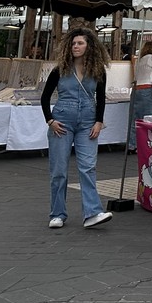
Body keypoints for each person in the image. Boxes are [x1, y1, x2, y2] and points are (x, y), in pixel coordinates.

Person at [40, 27, 112, 230]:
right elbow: (45, 97)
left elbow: (101, 98)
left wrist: (99, 121)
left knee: (88, 167)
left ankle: (92, 212)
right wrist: (50, 120)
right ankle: (57, 213)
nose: (76, 47)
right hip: (62, 121)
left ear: (90, 46)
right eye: (73, 44)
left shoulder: (97, 70)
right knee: (59, 170)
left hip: (88, 121)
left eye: (80, 43)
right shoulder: (60, 69)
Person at [129, 40, 152, 152]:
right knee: (149, 119)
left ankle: (132, 144)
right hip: (148, 89)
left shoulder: (140, 60)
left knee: (135, 119)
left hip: (137, 90)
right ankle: (147, 144)